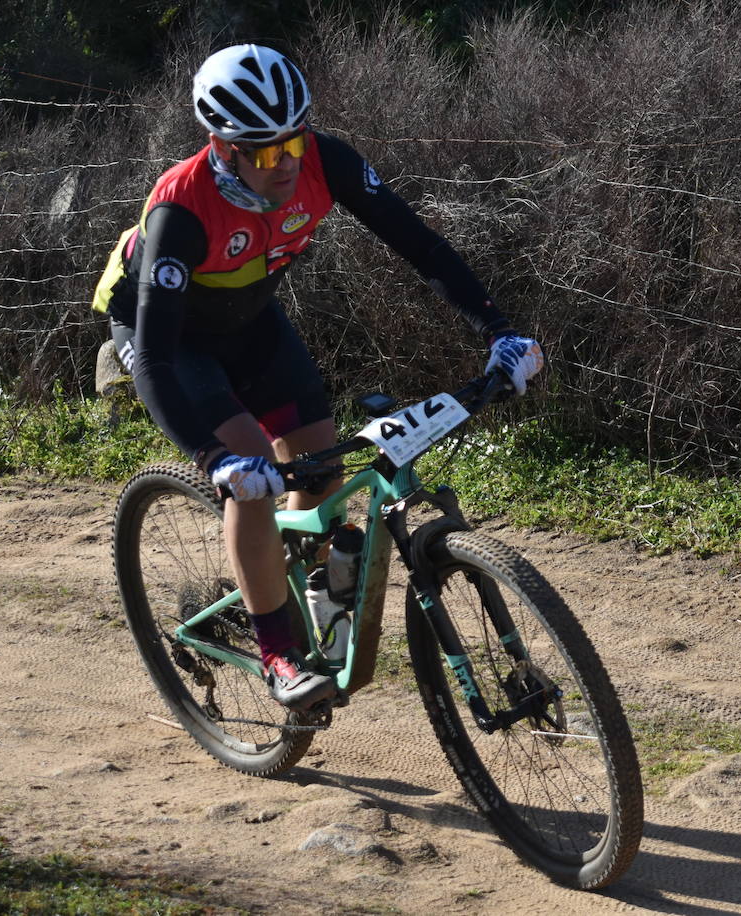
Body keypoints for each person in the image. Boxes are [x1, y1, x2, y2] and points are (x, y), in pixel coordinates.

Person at [91, 44, 543, 711]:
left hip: (247, 321)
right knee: (248, 473)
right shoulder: (180, 212)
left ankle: (290, 590)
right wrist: (214, 459)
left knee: (320, 471)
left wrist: (500, 330)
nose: (290, 162)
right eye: (269, 153)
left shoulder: (322, 160)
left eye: (295, 141)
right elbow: (157, 360)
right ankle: (277, 653)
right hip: (164, 335)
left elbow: (420, 244)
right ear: (225, 147)